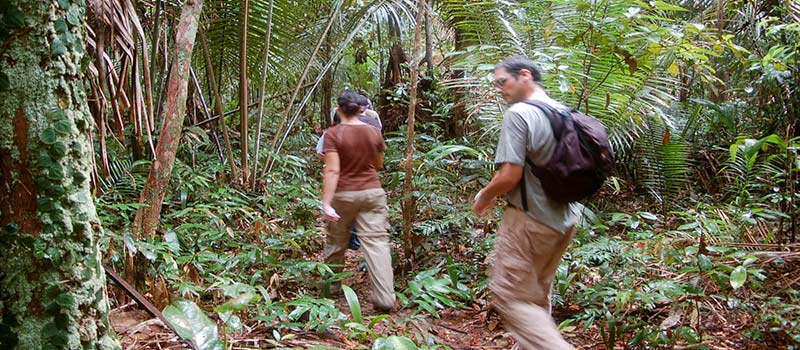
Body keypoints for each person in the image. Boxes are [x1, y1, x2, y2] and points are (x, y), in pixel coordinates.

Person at [472, 55, 582, 350]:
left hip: (531, 220)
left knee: (509, 296)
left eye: (502, 81)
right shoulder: (563, 111)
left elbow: (509, 175)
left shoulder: (519, 113)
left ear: (524, 75)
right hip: (565, 220)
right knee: (534, 295)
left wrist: (483, 196)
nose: (499, 89)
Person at [321, 90, 395, 312]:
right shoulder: (374, 132)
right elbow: (379, 164)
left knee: (336, 242)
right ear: (361, 109)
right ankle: (384, 298)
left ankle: (331, 290)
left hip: (343, 194)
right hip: (372, 192)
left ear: (339, 108)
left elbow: (332, 170)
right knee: (377, 244)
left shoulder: (333, 134)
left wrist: (326, 203)